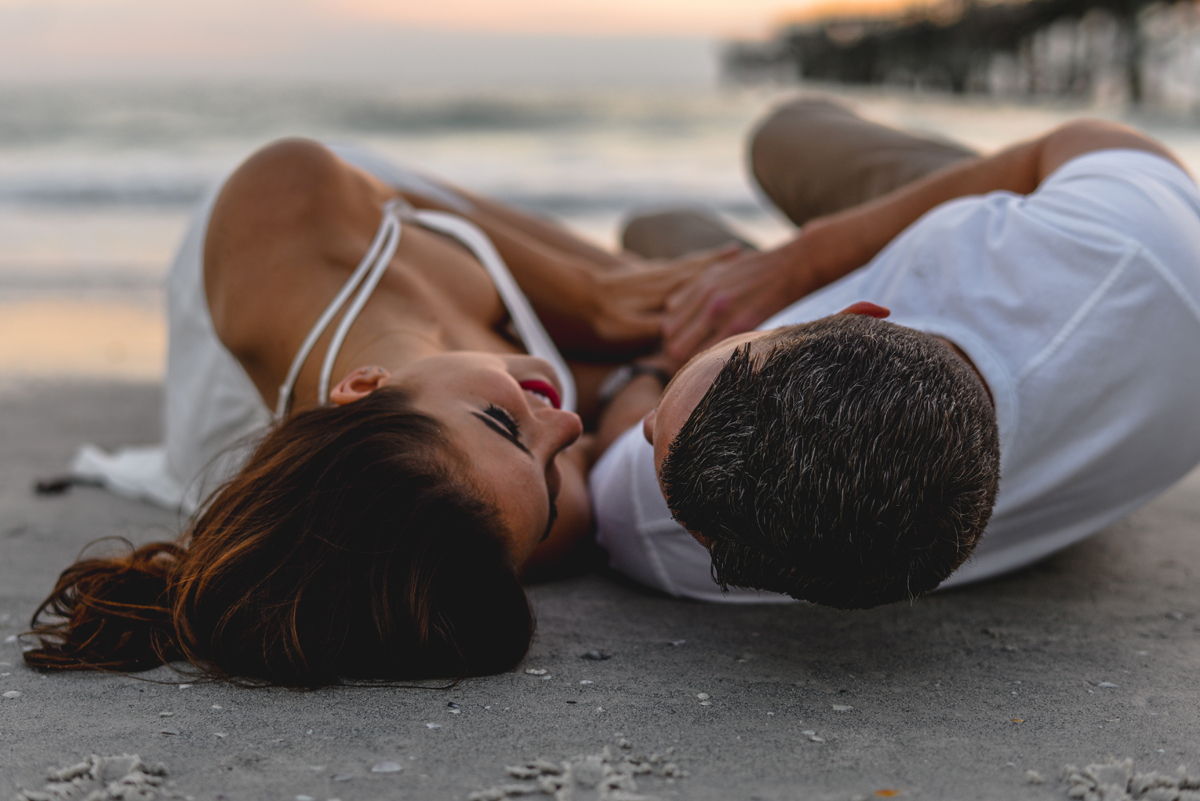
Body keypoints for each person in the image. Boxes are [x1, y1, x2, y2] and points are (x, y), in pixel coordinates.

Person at [24, 138, 729, 686]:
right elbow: (614, 410)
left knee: (641, 287)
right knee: (676, 292)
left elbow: (605, 319)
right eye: (548, 473)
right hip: (426, 365)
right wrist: (644, 368)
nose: (564, 430)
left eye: (501, 422)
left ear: (362, 385)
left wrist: (597, 300)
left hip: (292, 240)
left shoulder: (286, 201)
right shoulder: (510, 519)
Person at [590, 97, 1200, 608]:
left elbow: (623, 436)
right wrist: (809, 256)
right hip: (1008, 227)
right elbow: (1085, 138)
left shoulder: (661, 523)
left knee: (658, 230)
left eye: (654, 436)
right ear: (857, 310)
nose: (649, 427)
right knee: (787, 134)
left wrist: (648, 374)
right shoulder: (1125, 249)